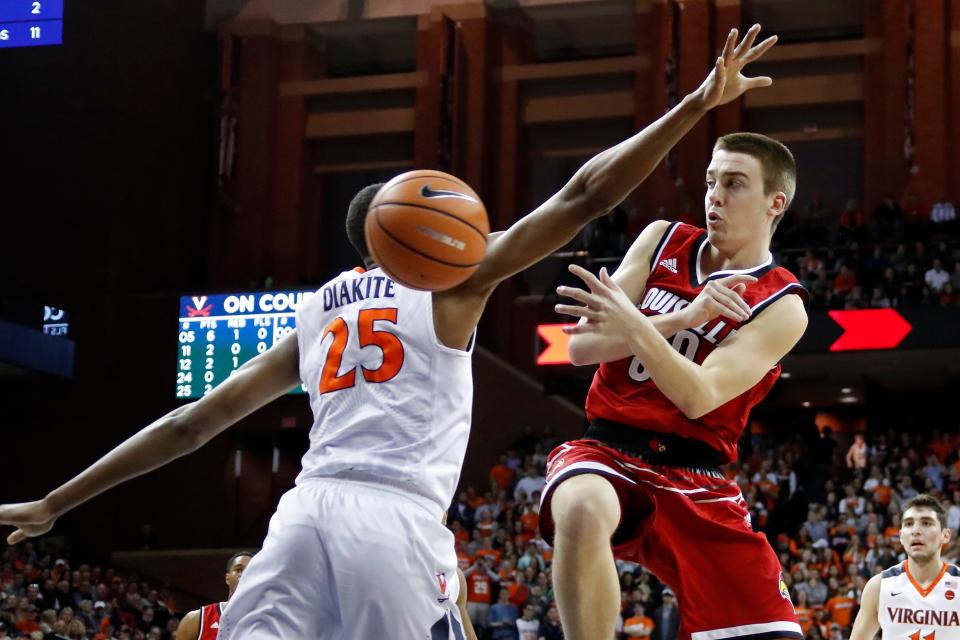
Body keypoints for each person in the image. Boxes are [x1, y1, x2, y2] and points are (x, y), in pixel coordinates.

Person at [0, 37, 717, 636]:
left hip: (302, 519)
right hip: (394, 523)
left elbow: (192, 424)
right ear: (422, 232)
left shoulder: (316, 313)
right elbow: (584, 195)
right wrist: (693, 104)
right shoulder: (451, 282)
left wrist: (55, 502)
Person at [540, 25, 808, 640]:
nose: (714, 195)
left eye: (734, 183)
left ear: (775, 203)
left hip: (700, 478)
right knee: (580, 508)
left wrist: (632, 322)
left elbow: (695, 395)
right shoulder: (662, 238)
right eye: (712, 180)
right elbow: (581, 348)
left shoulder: (784, 303)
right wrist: (683, 319)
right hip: (610, 449)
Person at [848, 494, 959, 640]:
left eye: (926, 523)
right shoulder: (879, 586)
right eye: (908, 524)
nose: (916, 531)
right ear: (901, 536)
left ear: (945, 535)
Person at [175, 552, 252, 640]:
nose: (244, 574)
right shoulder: (196, 620)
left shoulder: (267, 620)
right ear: (227, 578)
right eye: (239, 570)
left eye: (250, 570)